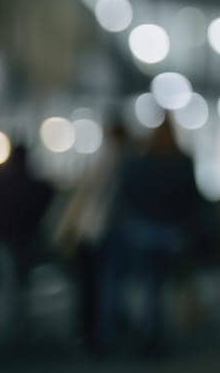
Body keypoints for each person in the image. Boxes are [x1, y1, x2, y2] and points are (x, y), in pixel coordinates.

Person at [102, 121, 202, 356]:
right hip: (171, 231)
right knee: (161, 284)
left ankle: (147, 331)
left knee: (146, 284)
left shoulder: (139, 163)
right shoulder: (182, 162)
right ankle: (155, 332)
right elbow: (191, 199)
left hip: (142, 229)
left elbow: (127, 193)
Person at [52, 118, 129, 352]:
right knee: (107, 282)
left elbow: (81, 197)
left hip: (90, 230)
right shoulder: (125, 161)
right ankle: (105, 331)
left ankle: (90, 331)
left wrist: (68, 227)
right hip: (109, 230)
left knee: (89, 284)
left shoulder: (99, 161)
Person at [0, 143, 54, 344]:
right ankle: (20, 326)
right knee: (22, 284)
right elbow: (46, 196)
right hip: (24, 238)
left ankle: (12, 327)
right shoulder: (33, 184)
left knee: (10, 285)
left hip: (4, 239)